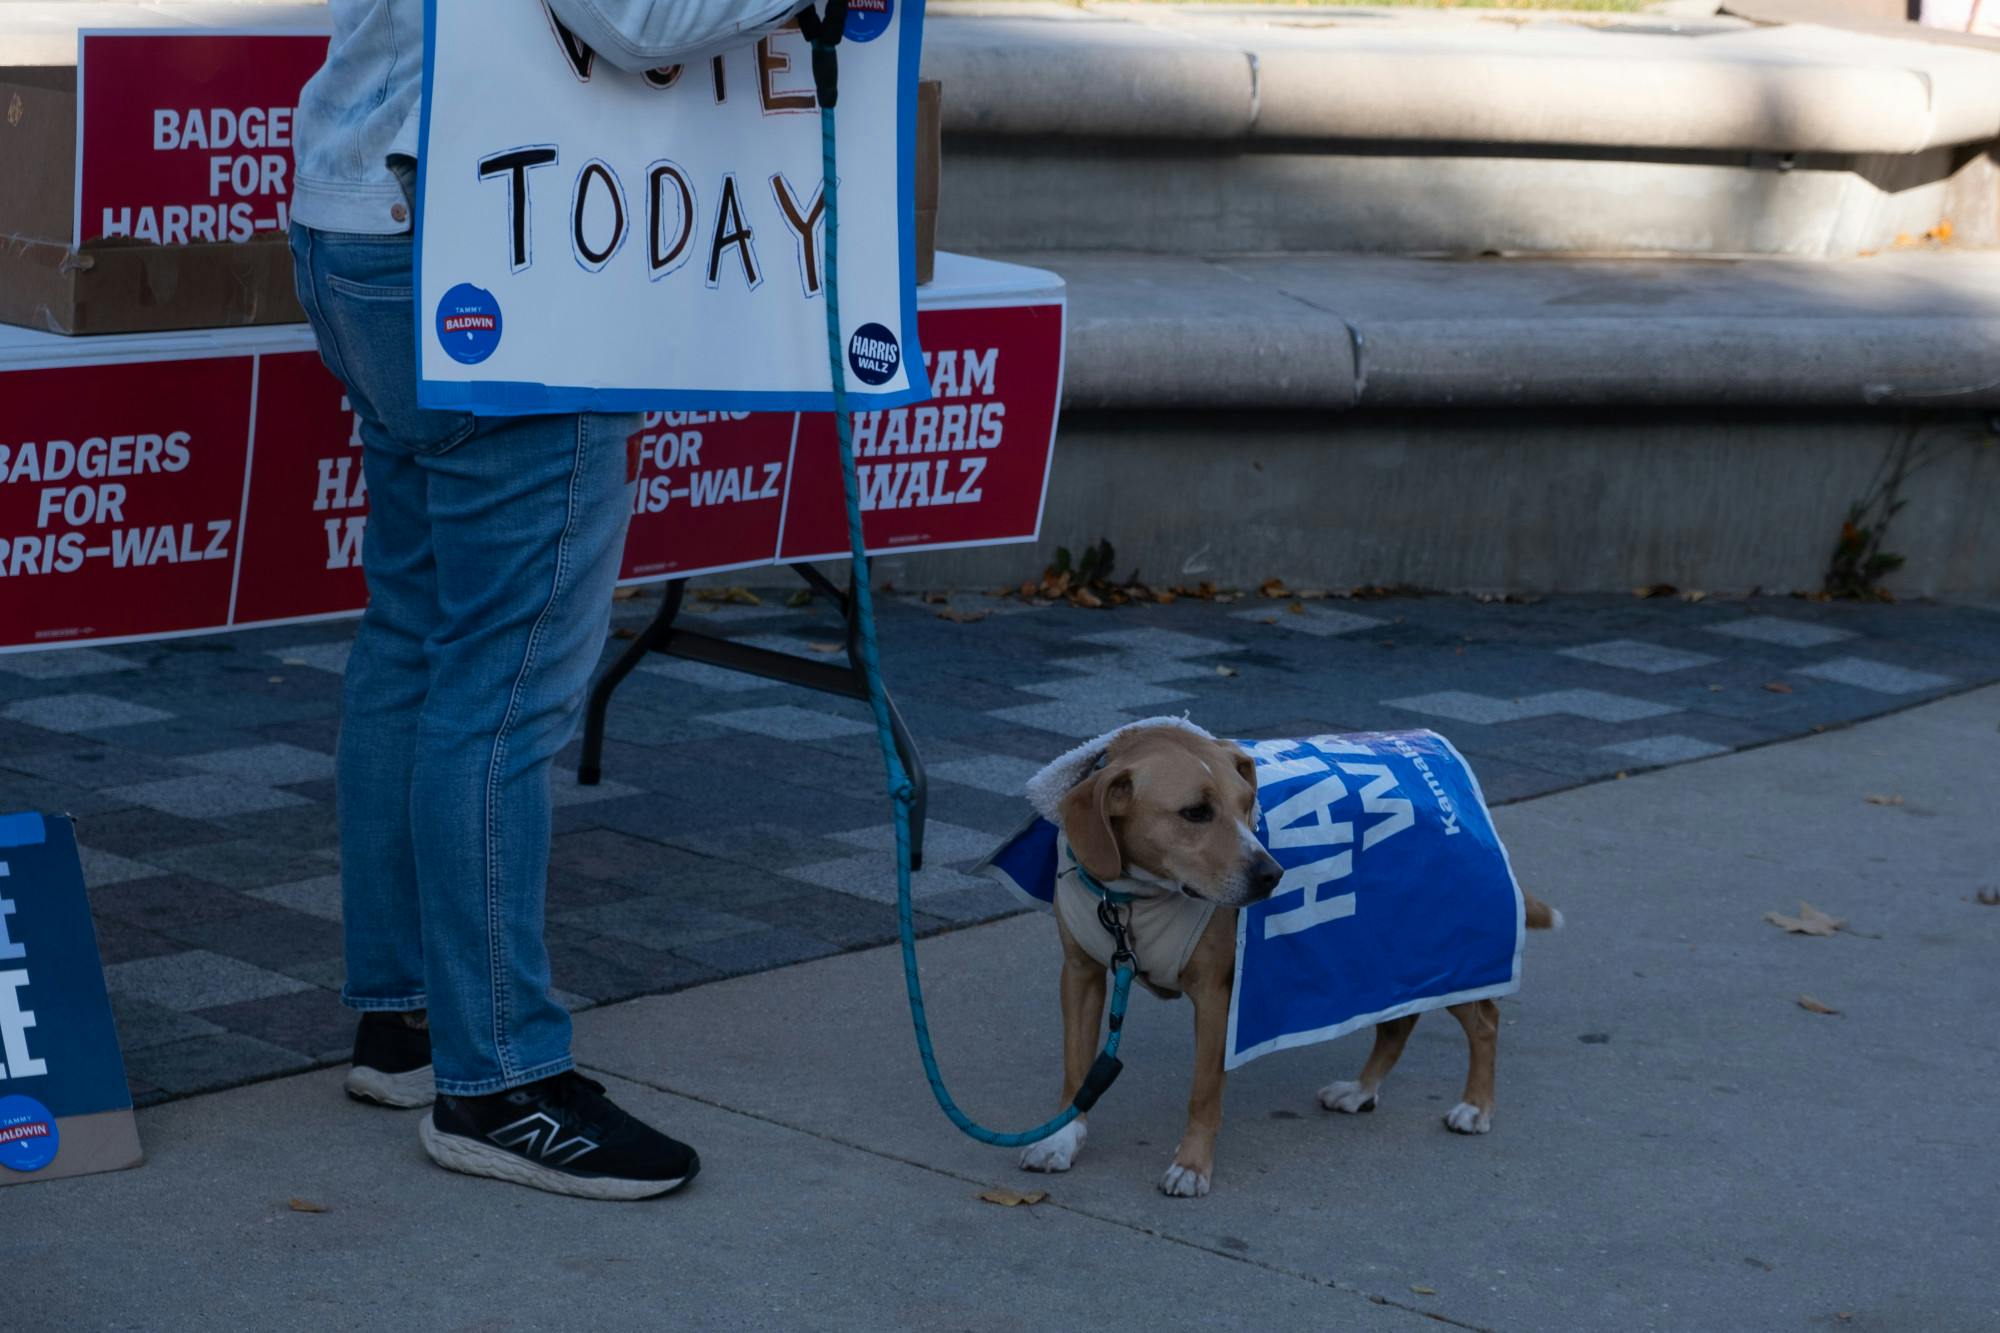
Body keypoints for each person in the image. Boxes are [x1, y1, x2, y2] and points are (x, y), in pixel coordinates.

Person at [289, 0, 806, 1201]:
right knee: (501, 683)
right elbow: (641, 16)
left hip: (373, 213)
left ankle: (408, 1023)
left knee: (419, 640)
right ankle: (498, 1080)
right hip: (489, 238)